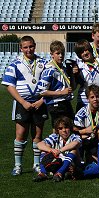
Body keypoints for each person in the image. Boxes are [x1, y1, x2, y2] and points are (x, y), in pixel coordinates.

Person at [1, 36, 48, 176]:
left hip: (40, 103)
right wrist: (23, 102)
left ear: (35, 46)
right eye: (25, 47)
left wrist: (42, 100)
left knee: (37, 135)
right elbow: (10, 86)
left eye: (31, 46)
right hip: (22, 103)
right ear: (21, 48)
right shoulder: (14, 64)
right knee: (21, 135)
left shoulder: (44, 63)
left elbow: (51, 83)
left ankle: (36, 164)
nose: (29, 49)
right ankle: (18, 165)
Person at [37, 40, 75, 129]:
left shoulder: (63, 68)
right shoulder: (49, 70)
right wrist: (62, 93)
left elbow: (71, 87)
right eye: (58, 53)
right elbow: (42, 92)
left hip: (65, 102)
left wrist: (73, 74)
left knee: (70, 128)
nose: (61, 56)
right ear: (52, 54)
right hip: (56, 104)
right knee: (59, 130)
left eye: (62, 53)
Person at [34, 116, 81, 182]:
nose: (64, 130)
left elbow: (76, 143)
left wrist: (60, 151)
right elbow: (39, 144)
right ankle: (43, 173)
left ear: (70, 128)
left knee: (74, 150)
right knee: (45, 149)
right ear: (57, 130)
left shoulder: (74, 136)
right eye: (60, 128)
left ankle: (60, 173)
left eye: (66, 127)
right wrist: (51, 150)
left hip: (74, 164)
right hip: (58, 162)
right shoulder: (55, 136)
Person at [74, 85, 99, 165]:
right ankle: (79, 162)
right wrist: (85, 131)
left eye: (97, 96)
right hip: (86, 139)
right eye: (92, 97)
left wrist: (92, 133)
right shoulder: (82, 112)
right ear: (87, 99)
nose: (95, 99)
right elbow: (75, 131)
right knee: (76, 139)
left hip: (97, 137)